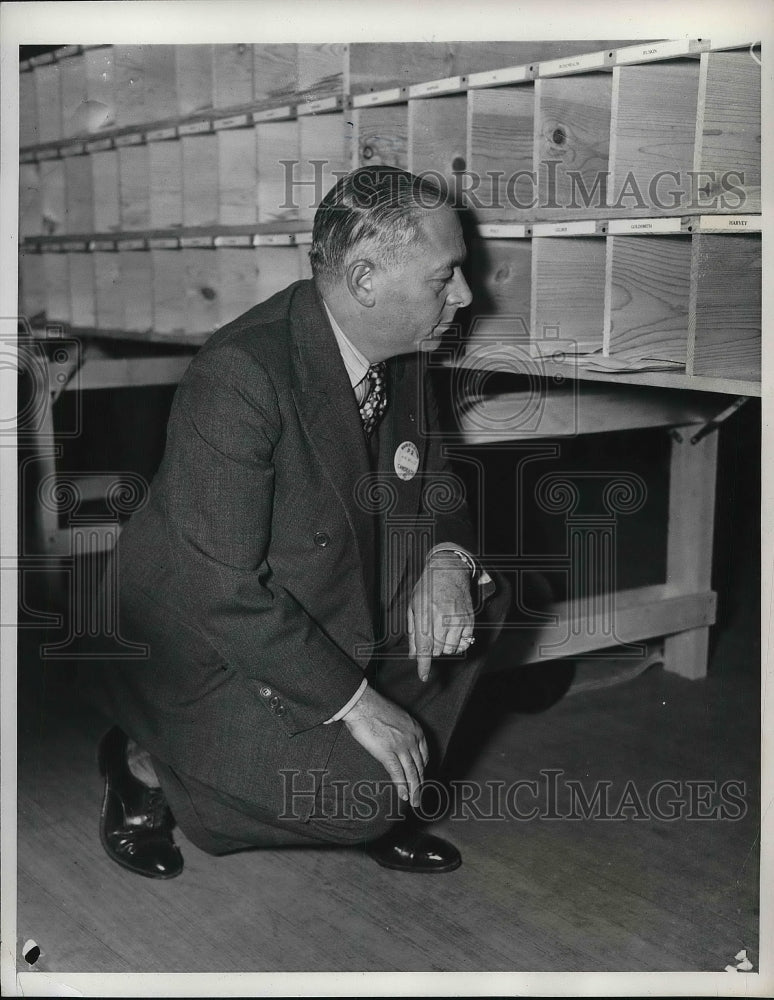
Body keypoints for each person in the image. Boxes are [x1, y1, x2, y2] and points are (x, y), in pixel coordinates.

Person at [84, 166, 507, 880]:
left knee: (478, 597)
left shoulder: (403, 349)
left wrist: (446, 563)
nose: (467, 295)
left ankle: (364, 774)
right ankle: (145, 763)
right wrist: (357, 702)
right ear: (367, 281)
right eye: (446, 278)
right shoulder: (241, 375)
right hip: (202, 648)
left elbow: (437, 484)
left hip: (324, 603)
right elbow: (221, 591)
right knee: (364, 800)